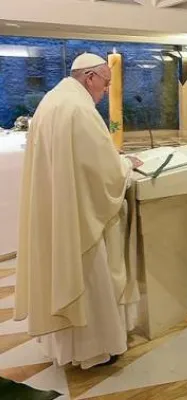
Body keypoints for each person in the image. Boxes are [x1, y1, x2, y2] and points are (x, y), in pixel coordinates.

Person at [15, 53, 142, 369]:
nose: (104, 94)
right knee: (90, 277)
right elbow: (104, 173)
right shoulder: (79, 109)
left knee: (65, 269)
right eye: (105, 85)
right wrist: (125, 164)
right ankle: (94, 348)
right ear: (90, 77)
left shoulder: (53, 99)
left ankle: (68, 347)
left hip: (60, 207)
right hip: (79, 215)